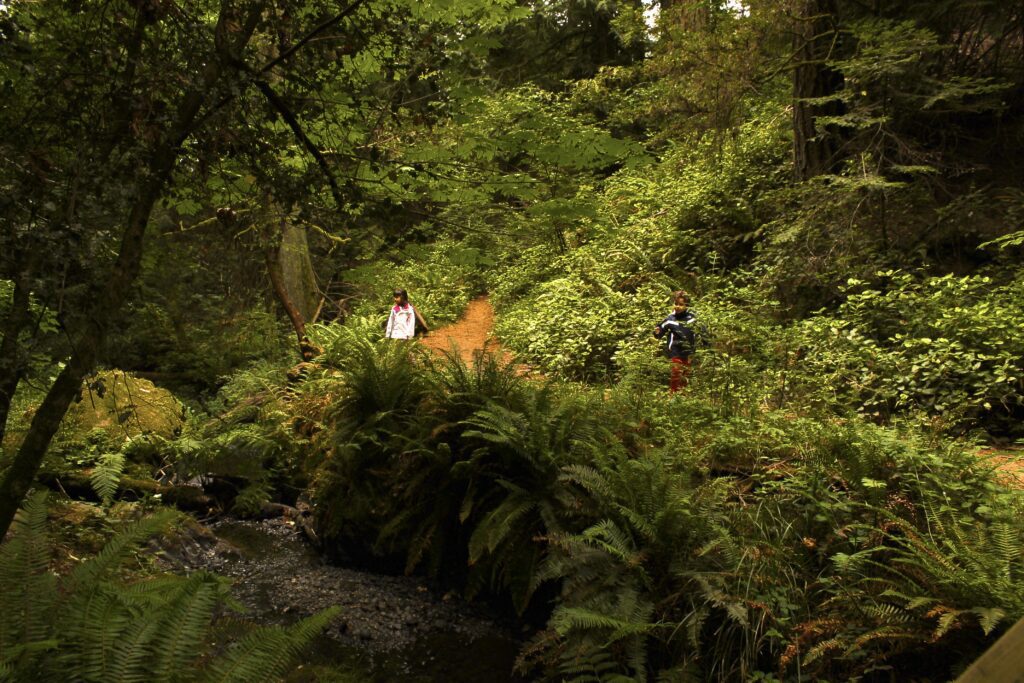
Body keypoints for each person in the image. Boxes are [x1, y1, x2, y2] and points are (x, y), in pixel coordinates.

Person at [653, 290, 701, 393]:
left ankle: (682, 400)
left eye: (681, 304)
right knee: (676, 374)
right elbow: (660, 331)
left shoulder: (692, 318)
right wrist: (657, 332)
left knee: (685, 377)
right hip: (675, 352)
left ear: (687, 305)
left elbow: (702, 331)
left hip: (688, 353)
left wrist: (707, 342)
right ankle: (673, 398)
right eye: (676, 304)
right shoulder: (670, 319)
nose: (677, 306)